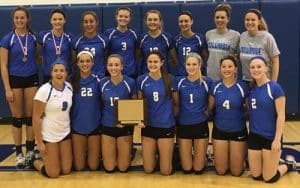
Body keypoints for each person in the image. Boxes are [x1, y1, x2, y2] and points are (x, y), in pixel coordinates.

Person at [0, 6, 38, 168]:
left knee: (30, 118)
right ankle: (18, 153)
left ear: (27, 19)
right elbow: (3, 65)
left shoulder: (33, 38)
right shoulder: (7, 39)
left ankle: (30, 150)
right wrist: (7, 88)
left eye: (22, 17)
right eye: (17, 18)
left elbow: (38, 57)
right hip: (14, 80)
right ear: (13, 19)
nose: (20, 20)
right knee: (17, 119)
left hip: (31, 79)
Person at [247, 57, 295, 183]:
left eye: (259, 66)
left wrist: (277, 140)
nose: (256, 70)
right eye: (252, 67)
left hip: (270, 137)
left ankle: (288, 165)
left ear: (266, 68)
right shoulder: (251, 89)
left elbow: (281, 115)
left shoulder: (275, 88)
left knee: (269, 178)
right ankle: (271, 162)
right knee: (256, 175)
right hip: (254, 136)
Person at [173, 52, 213, 174]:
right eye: (188, 64)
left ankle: (203, 157)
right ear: (185, 66)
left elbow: (211, 101)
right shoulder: (179, 81)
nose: (191, 67)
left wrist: (206, 113)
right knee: (187, 168)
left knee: (198, 169)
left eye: (194, 64)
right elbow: (176, 103)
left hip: (200, 125)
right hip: (184, 126)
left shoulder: (207, 82)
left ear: (199, 65)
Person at [137, 50, 175, 176]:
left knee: (165, 171)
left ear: (162, 62)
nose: (152, 64)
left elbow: (176, 103)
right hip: (148, 127)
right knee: (148, 169)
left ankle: (168, 158)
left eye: (155, 62)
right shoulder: (141, 80)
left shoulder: (170, 79)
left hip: (165, 126)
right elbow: (139, 103)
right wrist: (140, 119)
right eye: (150, 62)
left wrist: (171, 119)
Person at [32, 59, 73, 178]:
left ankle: (53, 159)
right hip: (49, 136)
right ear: (51, 73)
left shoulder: (69, 88)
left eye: (62, 71)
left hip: (65, 133)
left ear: (66, 73)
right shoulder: (44, 90)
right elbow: (35, 118)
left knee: (66, 170)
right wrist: (39, 142)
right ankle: (34, 161)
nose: (59, 74)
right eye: (56, 71)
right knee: (53, 173)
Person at [208, 55, 248, 176]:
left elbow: (248, 109)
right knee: (221, 171)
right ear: (220, 69)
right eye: (224, 67)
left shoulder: (242, 87)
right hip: (220, 131)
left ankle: (243, 159)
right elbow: (209, 109)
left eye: (230, 66)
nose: (227, 69)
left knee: (236, 172)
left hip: (238, 131)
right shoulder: (215, 86)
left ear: (236, 69)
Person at [100, 54, 136, 173]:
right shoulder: (102, 83)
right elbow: (100, 104)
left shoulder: (130, 82)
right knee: (109, 168)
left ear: (122, 67)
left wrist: (127, 122)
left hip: (124, 128)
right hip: (107, 126)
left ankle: (130, 152)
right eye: (110, 65)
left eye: (116, 65)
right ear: (107, 67)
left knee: (122, 168)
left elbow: (134, 105)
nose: (113, 68)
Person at [70, 51, 101, 171]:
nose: (85, 64)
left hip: (94, 127)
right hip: (77, 128)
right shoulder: (70, 82)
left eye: (88, 61)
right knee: (79, 167)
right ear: (77, 63)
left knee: (93, 166)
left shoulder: (99, 81)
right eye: (81, 61)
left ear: (93, 63)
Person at [239, 9, 280, 82]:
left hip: (263, 81)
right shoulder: (242, 36)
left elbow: (275, 61)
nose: (250, 22)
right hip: (246, 81)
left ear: (259, 22)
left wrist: (273, 83)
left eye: (253, 20)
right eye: (247, 20)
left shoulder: (267, 37)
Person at [37, 9, 72, 83]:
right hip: (48, 76)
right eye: (55, 19)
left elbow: (73, 58)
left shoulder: (69, 37)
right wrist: (45, 62)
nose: (57, 21)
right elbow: (36, 53)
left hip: (65, 76)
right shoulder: (44, 36)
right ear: (51, 21)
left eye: (60, 19)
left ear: (64, 21)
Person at [206, 4, 240, 81]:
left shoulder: (235, 35)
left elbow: (239, 56)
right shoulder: (209, 34)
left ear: (227, 19)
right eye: (217, 17)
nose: (219, 20)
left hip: (228, 77)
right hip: (211, 76)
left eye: (222, 17)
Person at [138, 10, 177, 75]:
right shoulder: (141, 38)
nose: (152, 22)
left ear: (160, 22)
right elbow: (138, 57)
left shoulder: (167, 37)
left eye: (155, 20)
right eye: (150, 20)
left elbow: (174, 59)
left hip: (163, 75)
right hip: (146, 74)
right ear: (146, 22)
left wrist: (164, 65)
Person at [104, 7, 139, 78]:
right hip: (113, 71)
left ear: (130, 18)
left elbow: (137, 52)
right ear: (116, 17)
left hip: (130, 72)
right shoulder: (109, 33)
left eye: (126, 17)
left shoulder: (134, 33)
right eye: (120, 16)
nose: (123, 18)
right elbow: (105, 53)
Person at [72, 11, 108, 78]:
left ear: (96, 23)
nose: (89, 24)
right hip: (83, 79)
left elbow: (106, 60)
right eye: (86, 22)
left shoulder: (104, 40)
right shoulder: (76, 41)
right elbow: (74, 62)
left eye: (91, 21)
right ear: (82, 24)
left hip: (99, 78)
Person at [174, 11, 208, 76]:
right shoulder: (176, 40)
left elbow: (205, 57)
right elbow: (175, 59)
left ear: (191, 22)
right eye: (181, 21)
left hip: (196, 75)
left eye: (186, 21)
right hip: (182, 75)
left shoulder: (199, 38)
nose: (183, 24)